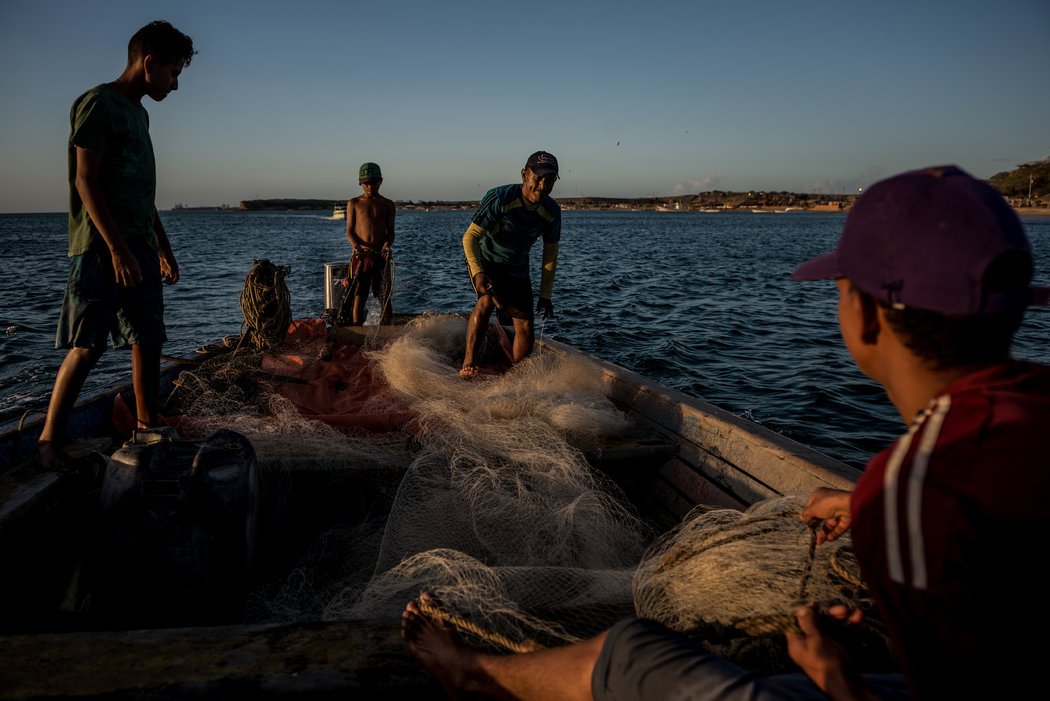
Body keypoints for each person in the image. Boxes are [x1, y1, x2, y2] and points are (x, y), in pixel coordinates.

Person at [402, 165, 1050, 700]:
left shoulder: (922, 490)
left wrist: (838, 677)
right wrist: (862, 501)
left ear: (868, 317)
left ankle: (471, 674)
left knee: (633, 654)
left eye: (842, 287)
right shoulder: (1011, 420)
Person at [36, 20, 196, 472]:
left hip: (140, 245)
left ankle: (148, 426)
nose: (176, 84)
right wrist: (117, 249)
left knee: (147, 337)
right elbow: (86, 181)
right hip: (100, 248)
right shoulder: (98, 104)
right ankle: (49, 439)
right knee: (88, 345)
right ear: (149, 64)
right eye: (173, 72)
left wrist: (162, 246)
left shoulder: (140, 114)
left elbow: (141, 193)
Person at [459, 151, 561, 379]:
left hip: (517, 267)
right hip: (486, 261)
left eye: (551, 179)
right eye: (539, 178)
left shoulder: (551, 211)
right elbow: (470, 237)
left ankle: (517, 375)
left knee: (525, 325)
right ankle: (469, 362)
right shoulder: (501, 198)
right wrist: (477, 273)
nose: (543, 185)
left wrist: (546, 295)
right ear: (525, 175)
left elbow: (550, 254)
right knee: (486, 302)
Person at [344, 161, 396, 325]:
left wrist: (387, 246)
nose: (370, 186)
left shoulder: (388, 204)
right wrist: (357, 247)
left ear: (381, 181)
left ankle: (386, 331)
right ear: (360, 183)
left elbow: (391, 233)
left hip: (380, 256)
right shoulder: (354, 203)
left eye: (374, 182)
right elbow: (349, 232)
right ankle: (356, 332)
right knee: (359, 297)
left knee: (385, 297)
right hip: (361, 256)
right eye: (366, 183)